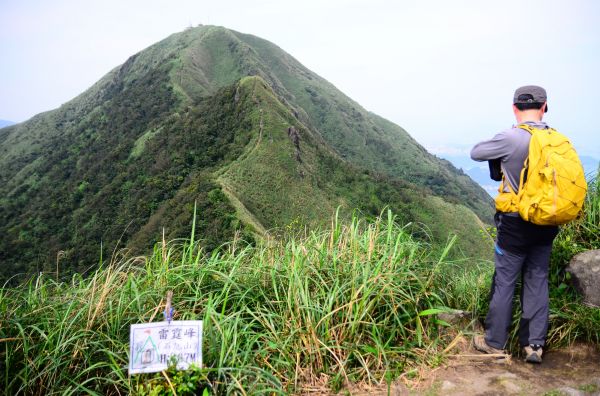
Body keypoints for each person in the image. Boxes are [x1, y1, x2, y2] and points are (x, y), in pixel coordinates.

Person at [470, 85, 559, 364]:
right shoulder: (557, 140)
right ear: (545, 107)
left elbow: (475, 152)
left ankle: (495, 342)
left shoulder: (511, 137)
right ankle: (534, 345)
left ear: (514, 108)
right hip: (546, 222)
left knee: (506, 280)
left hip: (514, 223)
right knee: (537, 278)